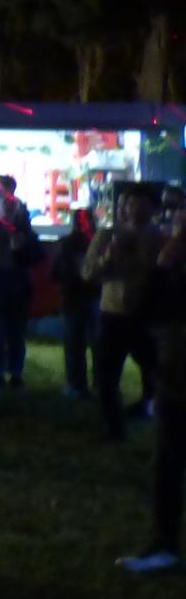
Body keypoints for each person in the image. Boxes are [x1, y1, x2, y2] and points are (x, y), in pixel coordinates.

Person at [117, 209, 186, 574]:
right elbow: (140, 319)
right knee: (167, 467)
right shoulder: (171, 274)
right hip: (175, 384)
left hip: (174, 380)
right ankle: (164, 545)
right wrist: (161, 268)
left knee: (168, 466)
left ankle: (165, 545)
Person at [88, 187, 163, 438]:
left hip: (147, 315)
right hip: (113, 314)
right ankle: (114, 427)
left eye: (141, 204)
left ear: (153, 208)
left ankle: (157, 415)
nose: (134, 209)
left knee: (160, 373)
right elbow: (89, 273)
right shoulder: (107, 236)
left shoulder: (161, 239)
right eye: (130, 203)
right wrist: (109, 255)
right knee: (105, 377)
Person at [0, 192, 41, 388]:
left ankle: (15, 372)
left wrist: (20, 250)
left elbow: (37, 257)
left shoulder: (25, 231)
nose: (8, 208)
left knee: (16, 334)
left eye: (12, 206)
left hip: (17, 288)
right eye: (4, 205)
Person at [52, 209, 97, 398]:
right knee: (78, 343)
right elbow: (56, 272)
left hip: (84, 296)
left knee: (79, 343)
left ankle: (80, 384)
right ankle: (81, 384)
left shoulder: (95, 241)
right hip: (80, 296)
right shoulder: (90, 242)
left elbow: (56, 272)